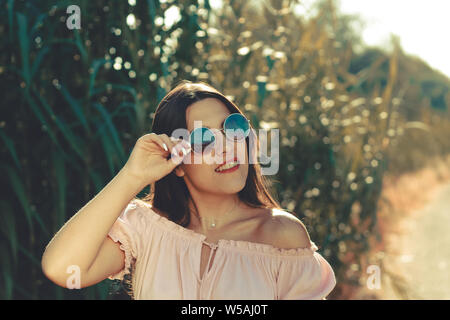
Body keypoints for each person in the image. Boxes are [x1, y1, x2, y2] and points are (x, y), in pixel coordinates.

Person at [41, 80, 336, 300]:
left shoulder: (281, 236)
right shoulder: (146, 229)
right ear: (177, 163)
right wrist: (132, 176)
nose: (227, 147)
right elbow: (61, 268)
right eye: (204, 139)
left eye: (233, 128)